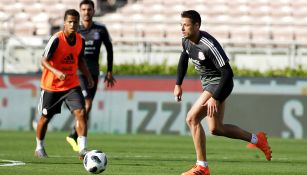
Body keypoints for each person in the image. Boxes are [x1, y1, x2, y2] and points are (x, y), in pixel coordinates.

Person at [173, 10, 272, 175]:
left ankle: (202, 167)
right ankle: (258, 139)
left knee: (192, 118)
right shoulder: (186, 41)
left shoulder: (209, 45)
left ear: (197, 26)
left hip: (220, 83)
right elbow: (184, 58)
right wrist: (178, 84)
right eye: (181, 25)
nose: (182, 28)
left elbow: (227, 73)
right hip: (210, 85)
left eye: (186, 25)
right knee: (216, 129)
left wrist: (215, 97)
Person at [34, 9, 94, 160]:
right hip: (51, 86)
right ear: (65, 23)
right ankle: (39, 146)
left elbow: (80, 60)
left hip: (71, 85)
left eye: (75, 21)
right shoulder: (56, 39)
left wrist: (88, 76)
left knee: (81, 112)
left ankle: (82, 149)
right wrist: (56, 72)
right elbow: (43, 60)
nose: (73, 24)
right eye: (70, 22)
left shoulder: (80, 40)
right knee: (45, 118)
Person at [66, 0, 116, 152]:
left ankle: (74, 134)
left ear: (94, 11)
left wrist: (109, 71)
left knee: (88, 106)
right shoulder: (75, 30)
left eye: (89, 9)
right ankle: (76, 138)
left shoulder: (100, 29)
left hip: (93, 74)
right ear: (80, 12)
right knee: (86, 104)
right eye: (84, 9)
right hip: (77, 73)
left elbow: (109, 49)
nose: (86, 12)